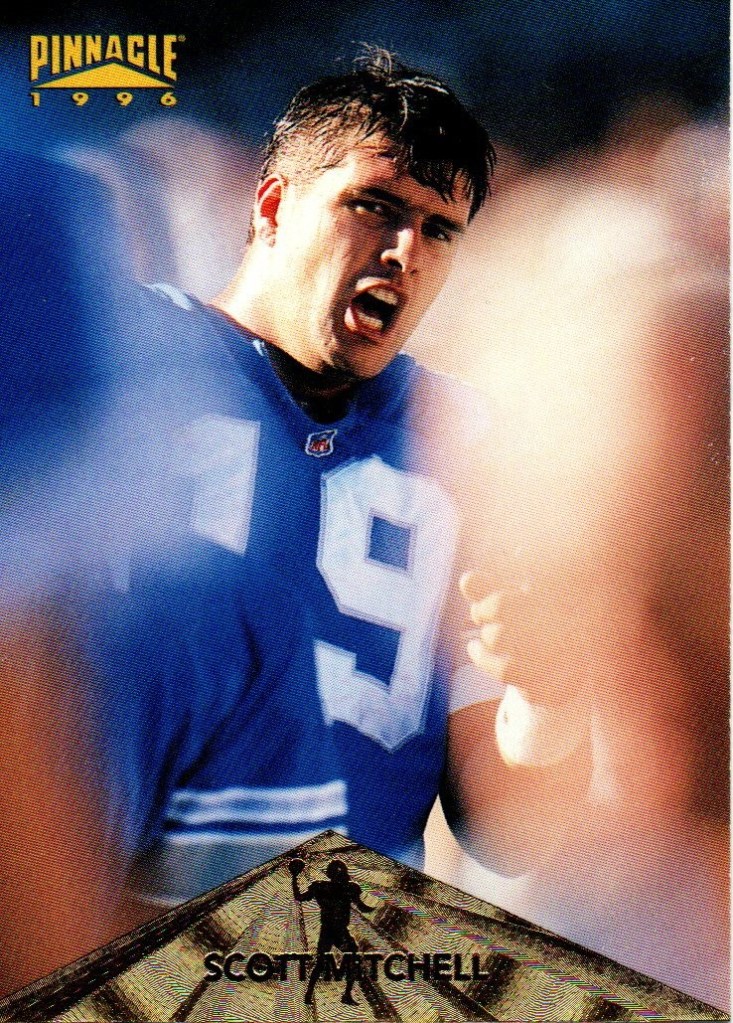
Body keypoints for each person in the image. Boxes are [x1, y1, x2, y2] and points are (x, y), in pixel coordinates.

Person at [74, 48, 594, 914]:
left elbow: (512, 831)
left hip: (342, 957)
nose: (405, 251)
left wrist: (548, 695)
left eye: (438, 229)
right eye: (374, 206)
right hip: (108, 938)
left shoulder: (463, 442)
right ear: (272, 206)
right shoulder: (122, 365)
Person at [289, 857, 374, 1005]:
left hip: (331, 931)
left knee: (324, 962)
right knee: (335, 960)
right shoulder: (343, 888)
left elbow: (299, 896)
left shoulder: (322, 887)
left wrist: (295, 877)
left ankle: (312, 993)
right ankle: (339, 994)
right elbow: (362, 907)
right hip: (335, 932)